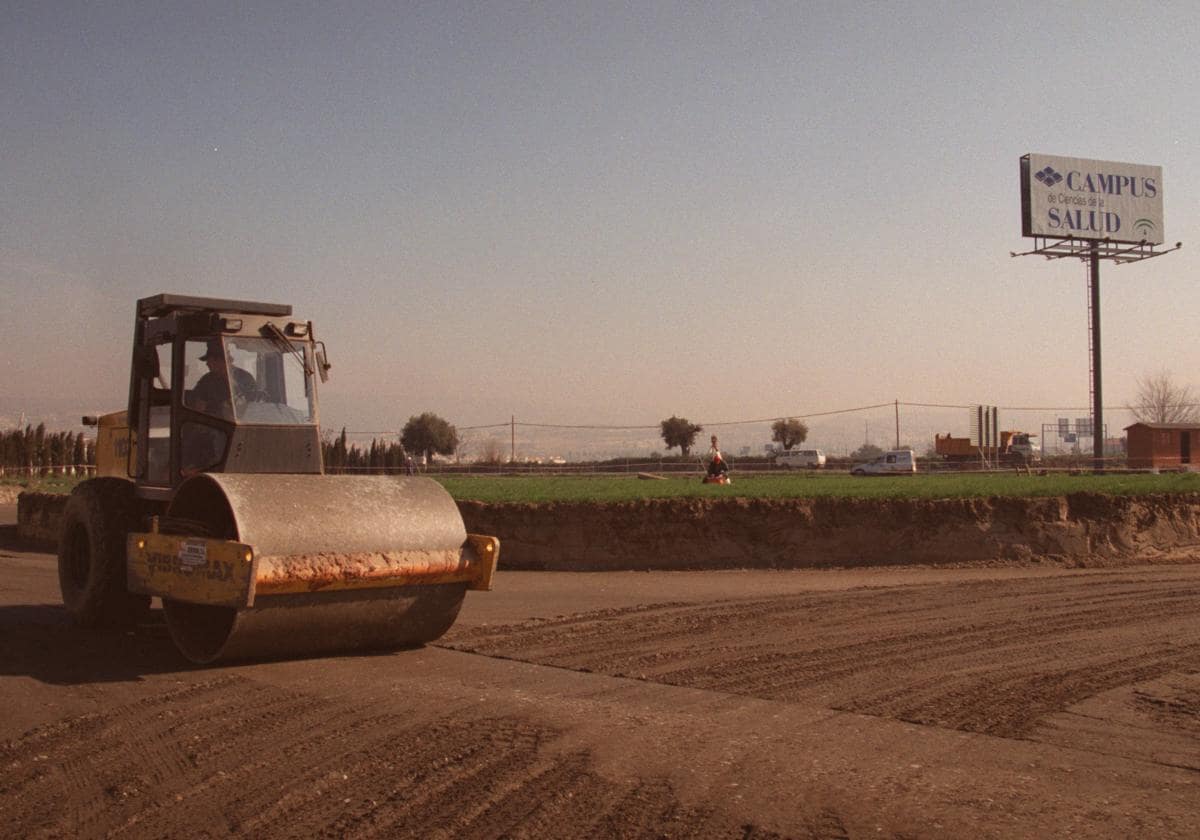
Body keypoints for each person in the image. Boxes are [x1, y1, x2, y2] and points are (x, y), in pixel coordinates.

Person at [189, 339, 256, 419]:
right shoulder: (207, 380)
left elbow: (252, 407)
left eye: (210, 360)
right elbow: (198, 408)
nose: (207, 363)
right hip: (213, 425)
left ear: (220, 360)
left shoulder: (245, 379)